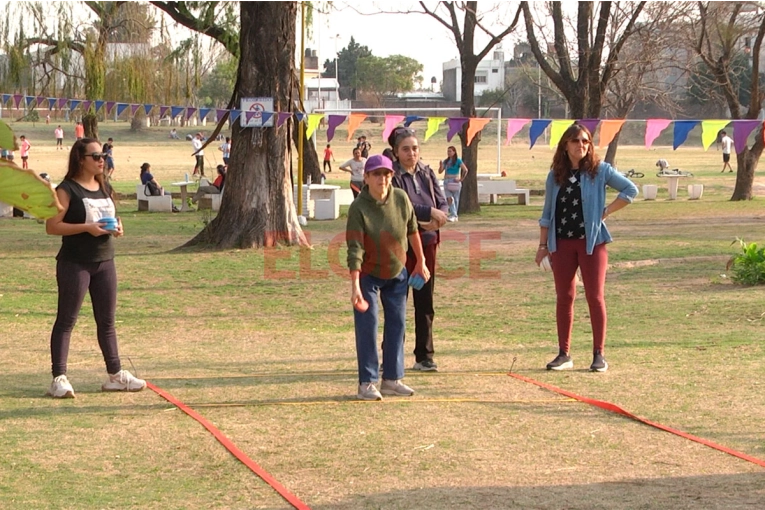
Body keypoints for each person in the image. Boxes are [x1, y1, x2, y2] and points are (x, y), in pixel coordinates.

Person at [44, 138, 146, 398]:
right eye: (96, 155)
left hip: (105, 261)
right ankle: (59, 378)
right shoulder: (66, 189)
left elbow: (111, 216)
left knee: (107, 321)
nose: (102, 160)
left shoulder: (104, 186)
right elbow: (52, 226)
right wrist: (86, 228)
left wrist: (118, 228)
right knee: (67, 320)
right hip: (75, 262)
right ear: (80, 159)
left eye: (104, 155)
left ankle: (116, 375)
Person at [536, 123, 638, 373]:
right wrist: (542, 245)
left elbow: (630, 190)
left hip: (592, 243)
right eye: (575, 141)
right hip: (561, 243)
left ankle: (599, 354)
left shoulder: (600, 170)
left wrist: (605, 212)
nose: (580, 145)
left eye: (585, 141)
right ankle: (564, 354)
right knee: (565, 297)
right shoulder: (555, 175)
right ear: (565, 145)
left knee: (594, 296)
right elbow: (547, 213)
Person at [346, 154, 430, 400]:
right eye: (376, 174)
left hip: (397, 272)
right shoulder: (358, 208)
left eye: (386, 174)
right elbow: (354, 249)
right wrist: (355, 286)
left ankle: (392, 379)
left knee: (398, 324)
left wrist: (421, 262)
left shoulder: (401, 199)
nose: (382, 179)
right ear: (367, 177)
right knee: (368, 326)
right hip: (368, 274)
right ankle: (367, 383)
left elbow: (413, 230)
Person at [388, 127, 448, 372]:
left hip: (428, 243)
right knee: (397, 301)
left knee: (425, 301)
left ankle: (424, 356)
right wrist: (427, 213)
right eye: (405, 149)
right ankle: (392, 356)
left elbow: (441, 200)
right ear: (395, 152)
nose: (411, 153)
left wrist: (439, 215)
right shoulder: (391, 176)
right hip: (401, 246)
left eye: (414, 148)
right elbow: (400, 203)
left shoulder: (426, 171)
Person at [437, 145, 469, 222]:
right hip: (447, 181)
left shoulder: (458, 161)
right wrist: (441, 166)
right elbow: (440, 171)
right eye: (448, 151)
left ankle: (454, 215)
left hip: (454, 181)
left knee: (456, 199)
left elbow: (465, 170)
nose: (449, 153)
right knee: (449, 198)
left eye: (450, 151)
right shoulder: (446, 161)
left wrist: (461, 179)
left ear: (454, 152)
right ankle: (453, 215)